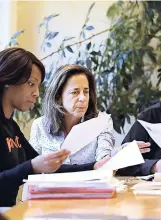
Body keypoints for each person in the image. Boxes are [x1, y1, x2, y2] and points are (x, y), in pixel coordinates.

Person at [0, 48, 106, 207]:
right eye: (31, 84)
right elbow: (34, 165)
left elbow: (48, 167)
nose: (36, 93)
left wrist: (93, 167)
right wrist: (32, 166)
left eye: (37, 86)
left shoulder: (11, 127)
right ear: (8, 79)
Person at [29, 64, 150, 165]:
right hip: (50, 191)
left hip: (88, 190)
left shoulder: (102, 121)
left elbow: (103, 160)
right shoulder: (39, 126)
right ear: (58, 98)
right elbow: (32, 169)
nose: (82, 98)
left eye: (86, 92)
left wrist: (119, 153)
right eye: (75, 92)